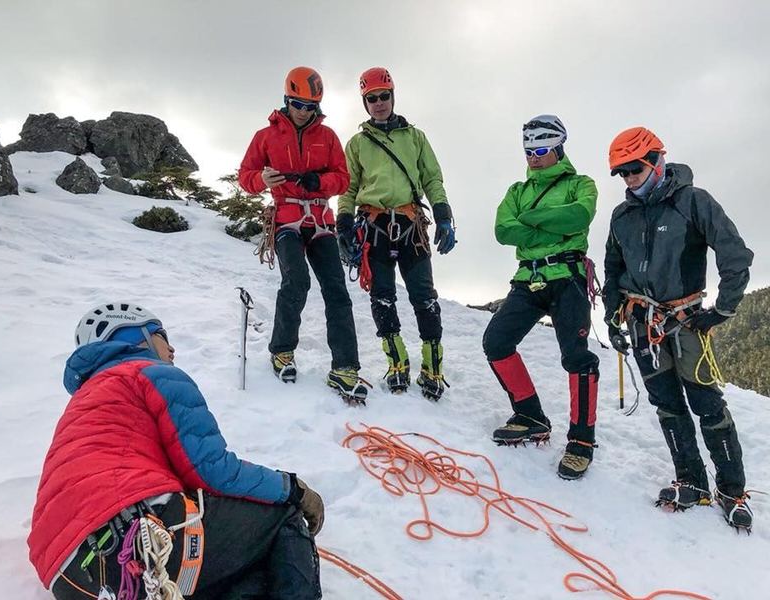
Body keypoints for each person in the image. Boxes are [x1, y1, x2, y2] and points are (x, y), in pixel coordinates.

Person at [28, 302, 325, 599]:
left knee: (248, 569)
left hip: (71, 578)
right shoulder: (147, 373)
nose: (172, 350)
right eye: (163, 335)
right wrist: (292, 489)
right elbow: (213, 470)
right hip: (138, 537)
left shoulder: (84, 403)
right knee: (283, 516)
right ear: (136, 336)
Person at [604, 127, 754, 530]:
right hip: (641, 323)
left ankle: (732, 490)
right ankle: (691, 481)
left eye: (634, 168)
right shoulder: (622, 216)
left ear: (655, 161)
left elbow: (735, 254)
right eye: (621, 172)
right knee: (667, 405)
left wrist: (723, 310)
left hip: (686, 321)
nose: (628, 178)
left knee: (707, 404)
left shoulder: (693, 202)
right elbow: (613, 268)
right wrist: (611, 314)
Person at [238, 66, 368, 404]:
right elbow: (245, 175)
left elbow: (343, 178)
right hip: (286, 220)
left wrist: (319, 183)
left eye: (311, 107)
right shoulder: (266, 137)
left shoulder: (327, 137)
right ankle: (282, 350)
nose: (304, 112)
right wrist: (262, 180)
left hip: (321, 222)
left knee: (337, 289)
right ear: (287, 99)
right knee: (296, 282)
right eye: (298, 104)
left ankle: (345, 367)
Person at [482, 115, 600, 480]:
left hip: (569, 279)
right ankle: (530, 415)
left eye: (542, 149)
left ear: (559, 148)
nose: (534, 157)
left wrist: (529, 222)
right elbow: (503, 229)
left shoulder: (582, 184)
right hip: (528, 279)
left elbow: (579, 216)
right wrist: (551, 224)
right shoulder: (517, 190)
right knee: (497, 342)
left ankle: (581, 442)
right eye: (529, 150)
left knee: (577, 357)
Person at [337, 66, 456, 401]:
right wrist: (343, 224)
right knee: (382, 296)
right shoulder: (358, 144)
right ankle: (397, 362)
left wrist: (444, 213)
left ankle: (433, 367)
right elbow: (348, 188)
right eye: (371, 99)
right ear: (365, 102)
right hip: (372, 226)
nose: (378, 103)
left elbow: (432, 178)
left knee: (424, 295)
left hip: (410, 223)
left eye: (383, 96)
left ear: (393, 96)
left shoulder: (415, 138)